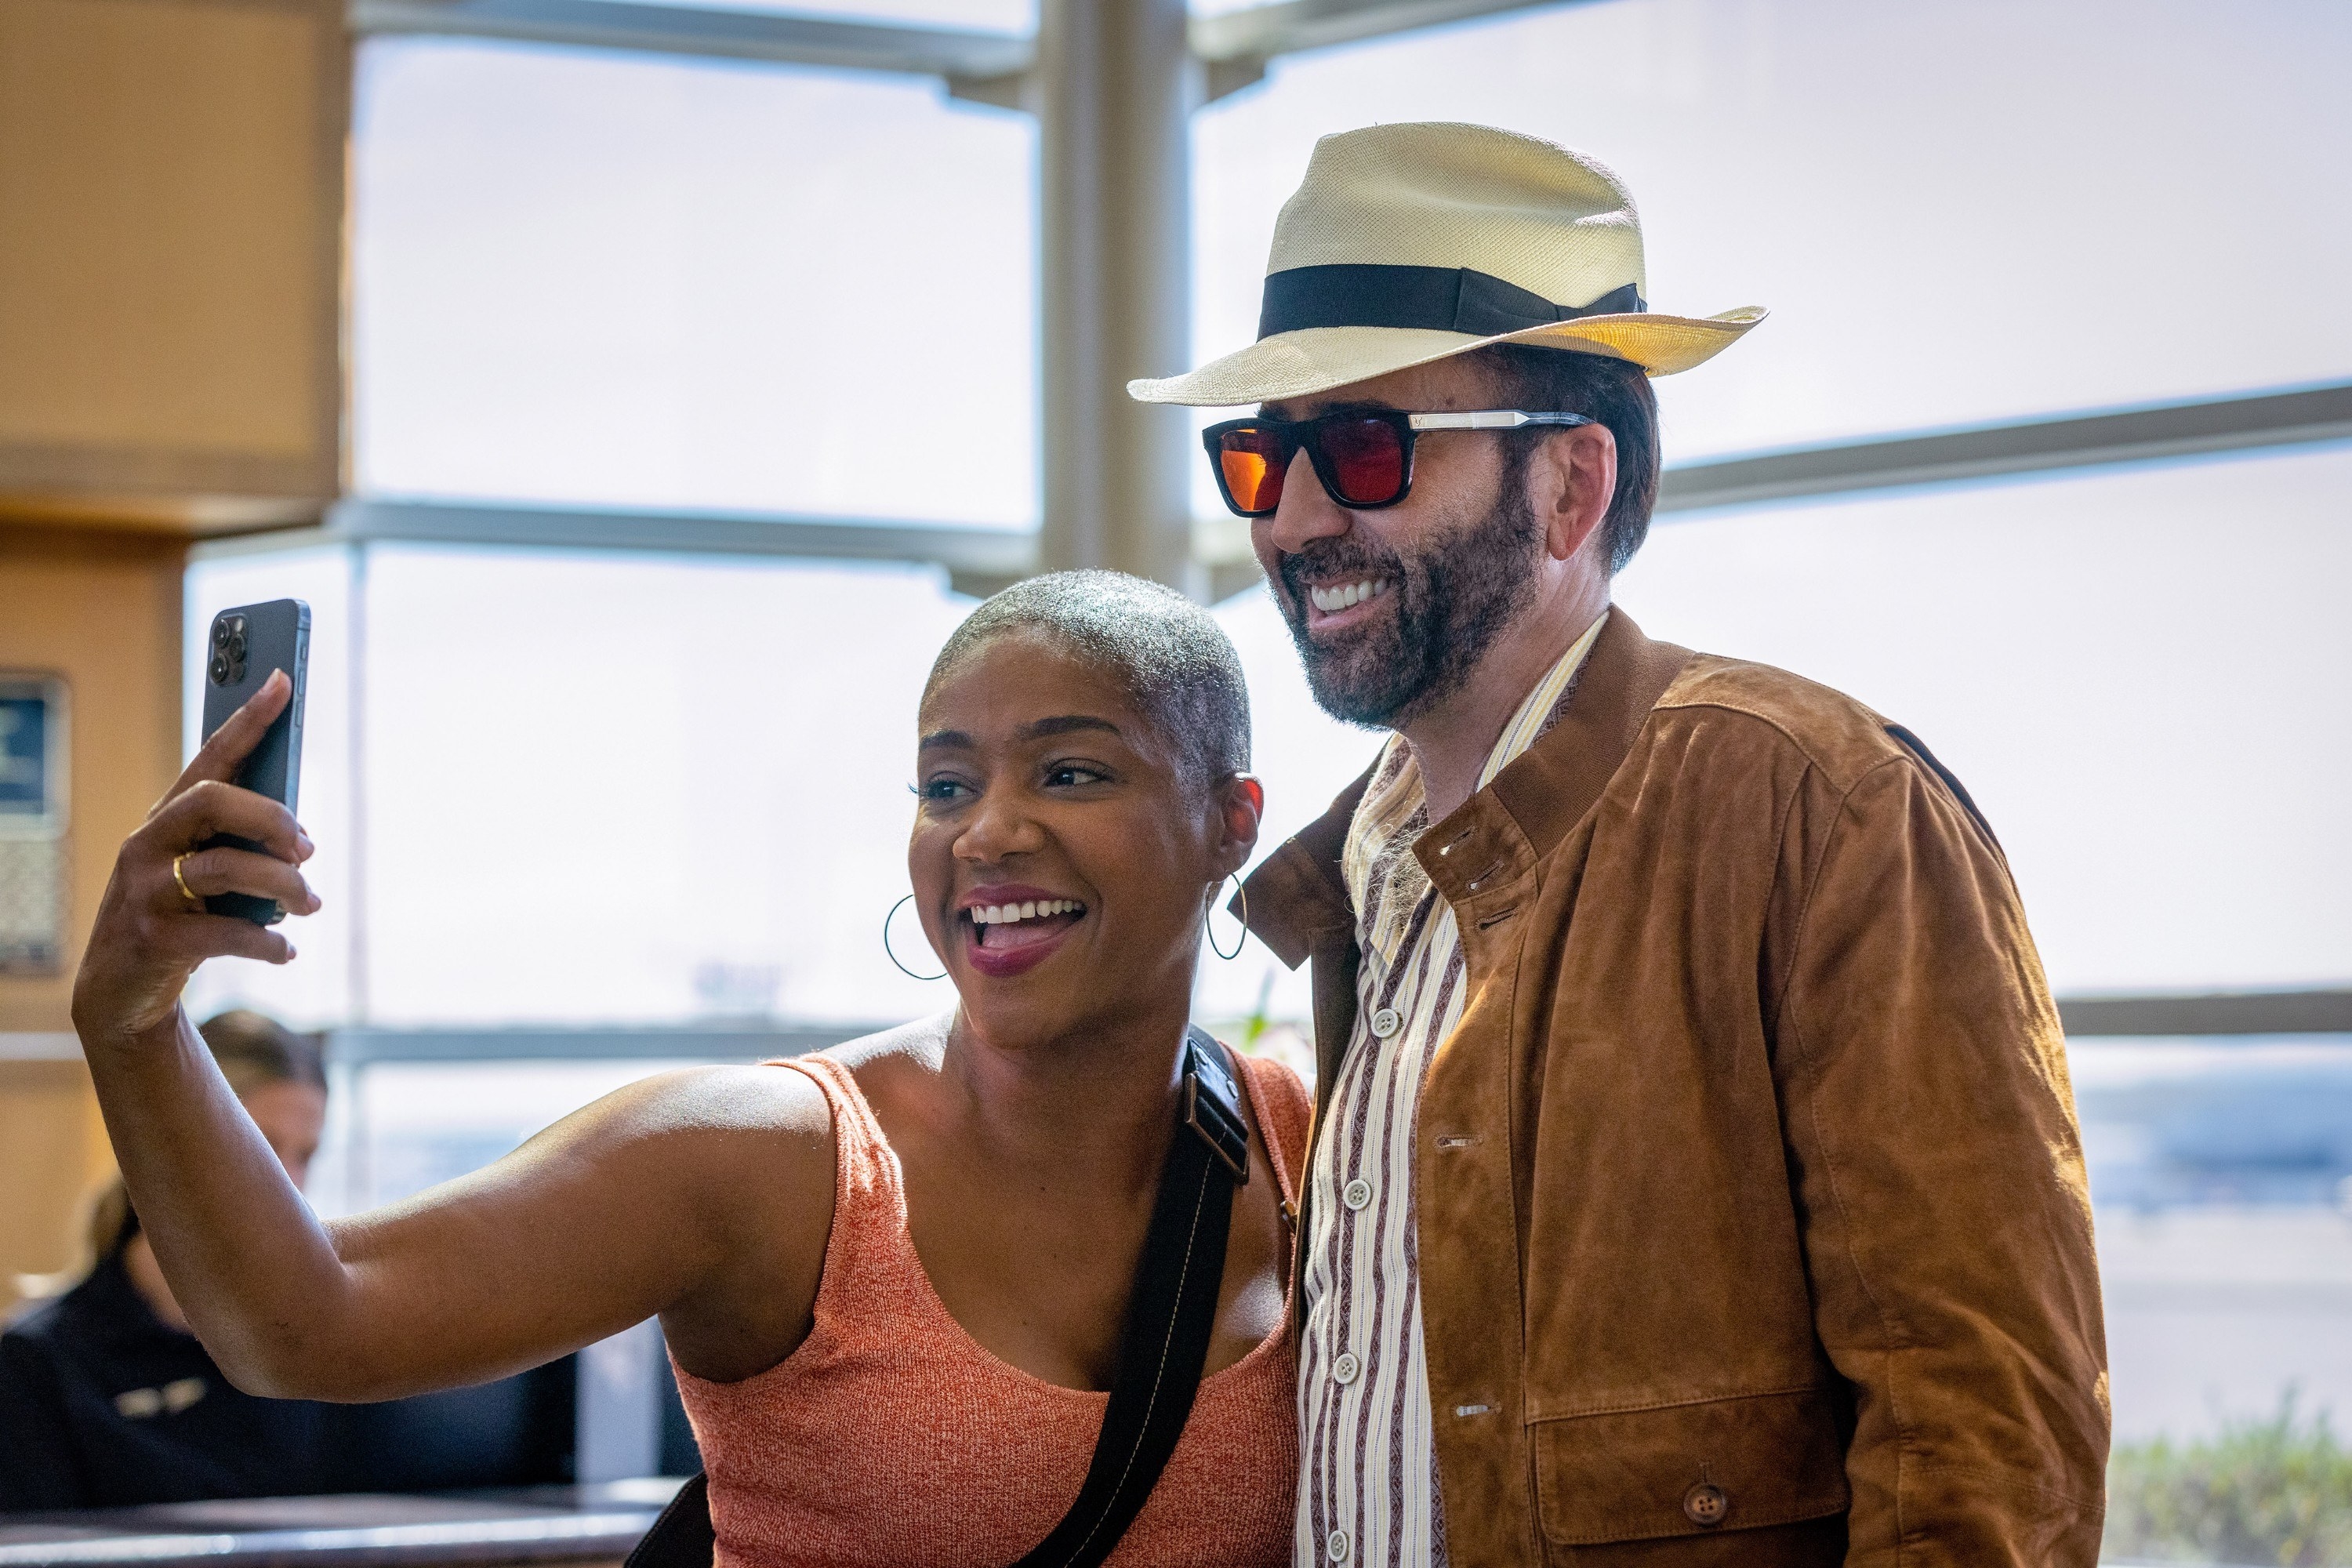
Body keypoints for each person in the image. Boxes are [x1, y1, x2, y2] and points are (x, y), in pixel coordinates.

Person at [1129, 122, 2109, 1566]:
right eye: (1262, 458)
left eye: (1364, 446)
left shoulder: (1815, 810)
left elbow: (1987, 1454)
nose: (1300, 518)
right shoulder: (1364, 882)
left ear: (1571, 489)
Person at [67, 572, 1305, 1565]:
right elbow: (310, 1316)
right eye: (945, 784)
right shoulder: (779, 1165)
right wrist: (135, 1024)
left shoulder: (1322, 1153)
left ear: (1231, 820)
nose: (987, 832)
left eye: (1070, 772)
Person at [0, 1011, 572, 1509]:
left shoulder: (318, 1346)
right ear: (162, 1147)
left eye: (306, 1155)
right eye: (261, 1147)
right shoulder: (38, 1368)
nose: (288, 1185)